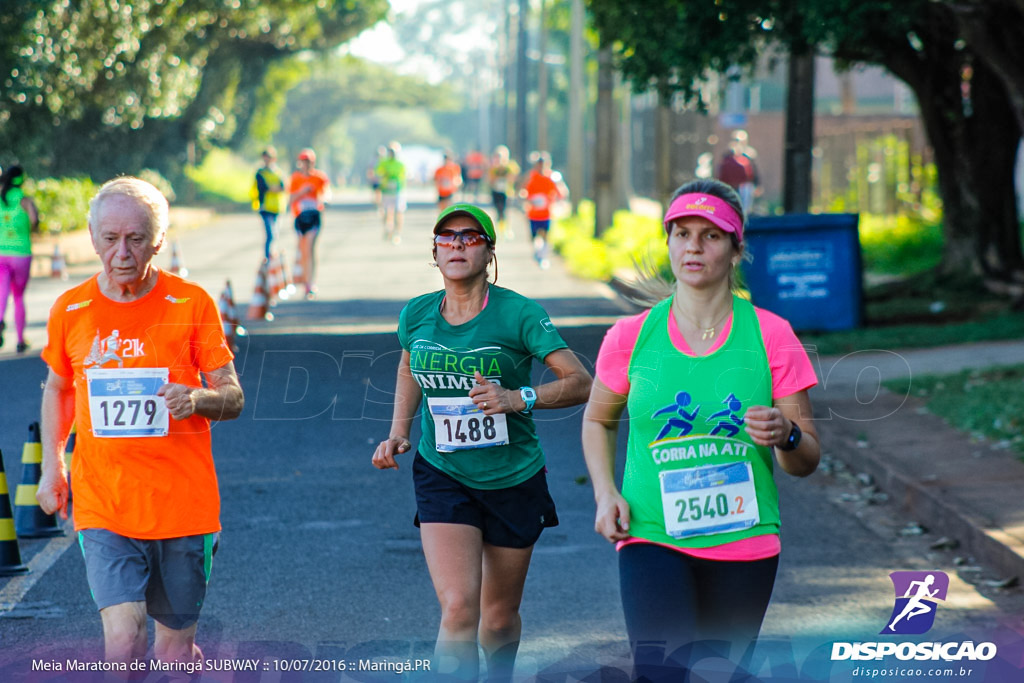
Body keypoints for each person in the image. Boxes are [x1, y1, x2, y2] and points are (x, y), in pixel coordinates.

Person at [580, 178, 820, 681]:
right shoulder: (631, 336)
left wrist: (786, 436)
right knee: (662, 671)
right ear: (668, 242)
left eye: (710, 235)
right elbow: (598, 419)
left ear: (736, 249)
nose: (693, 246)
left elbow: (806, 460)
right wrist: (606, 494)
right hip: (651, 533)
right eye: (681, 233)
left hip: (745, 536)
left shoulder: (771, 334)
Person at [372, 203, 592, 682]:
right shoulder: (417, 313)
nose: (457, 244)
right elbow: (409, 366)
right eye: (446, 237)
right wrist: (398, 431)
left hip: (513, 477)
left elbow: (580, 381)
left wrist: (518, 397)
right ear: (434, 250)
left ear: (489, 252)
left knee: (497, 618)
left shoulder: (520, 313)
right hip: (443, 471)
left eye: (470, 237)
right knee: (457, 610)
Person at [35, 177, 244, 666]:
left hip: (183, 507)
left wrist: (198, 398)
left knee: (173, 656)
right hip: (105, 502)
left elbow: (232, 398)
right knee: (125, 642)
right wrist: (53, 465)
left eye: (135, 238)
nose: (122, 252)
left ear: (159, 241)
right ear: (92, 238)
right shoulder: (71, 309)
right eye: (110, 238)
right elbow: (59, 388)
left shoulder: (191, 304)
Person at [0, 165, 39, 354]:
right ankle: (21, 340)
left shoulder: (1, 199)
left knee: (1, 292)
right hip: (21, 253)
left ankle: (0, 320)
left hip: (1, 253)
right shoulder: (25, 201)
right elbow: (34, 221)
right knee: (18, 297)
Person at [288, 148, 330, 299]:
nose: (306, 165)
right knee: (304, 251)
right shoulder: (296, 178)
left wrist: (324, 199)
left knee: (310, 248)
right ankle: (305, 282)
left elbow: (326, 192)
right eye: (304, 162)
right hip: (300, 218)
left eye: (309, 162)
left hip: (314, 217)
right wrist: (302, 192)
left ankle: (310, 283)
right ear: (300, 163)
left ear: (313, 162)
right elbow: (290, 199)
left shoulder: (319, 177)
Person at [520, 151, 566, 269]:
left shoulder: (552, 178)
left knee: (545, 235)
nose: (542, 167)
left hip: (546, 213)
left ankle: (543, 257)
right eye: (539, 164)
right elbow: (523, 191)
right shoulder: (531, 177)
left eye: (544, 164)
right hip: (533, 213)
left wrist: (559, 201)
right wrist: (527, 198)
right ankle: (538, 252)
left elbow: (561, 192)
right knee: (535, 237)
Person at [250, 147, 284, 261]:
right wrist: (273, 188)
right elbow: (262, 187)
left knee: (276, 234)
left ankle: (272, 256)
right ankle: (267, 258)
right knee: (270, 234)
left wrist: (271, 188)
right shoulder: (260, 173)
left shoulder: (278, 172)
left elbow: (283, 187)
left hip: (277, 207)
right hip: (264, 207)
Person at [375, 142, 407, 244]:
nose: (392, 154)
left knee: (398, 212)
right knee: (386, 212)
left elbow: (405, 176)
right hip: (386, 191)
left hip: (397, 191)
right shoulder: (384, 163)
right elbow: (377, 173)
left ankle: (397, 233)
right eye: (390, 151)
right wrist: (384, 176)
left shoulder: (401, 163)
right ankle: (387, 229)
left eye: (394, 152)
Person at [487, 145, 519, 239]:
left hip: (506, 192)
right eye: (497, 156)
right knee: (498, 210)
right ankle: (498, 228)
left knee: (505, 210)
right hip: (496, 191)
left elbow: (513, 177)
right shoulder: (493, 168)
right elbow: (490, 180)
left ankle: (507, 229)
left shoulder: (510, 166)